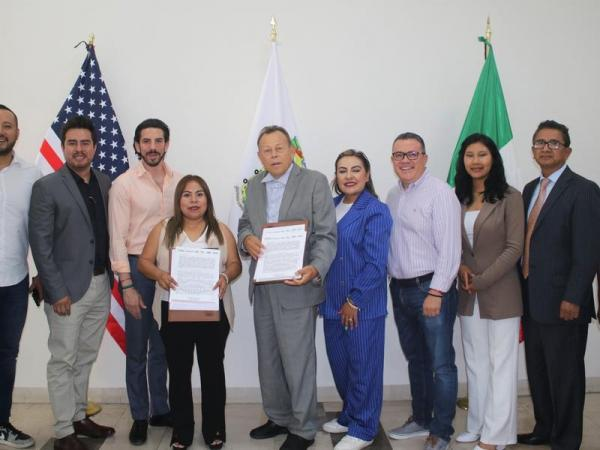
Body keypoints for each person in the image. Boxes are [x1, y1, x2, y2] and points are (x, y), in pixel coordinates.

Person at [238, 125, 337, 450]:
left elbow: (326, 234)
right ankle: (278, 417)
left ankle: (304, 429)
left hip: (298, 285)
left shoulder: (314, 181)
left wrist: (315, 268)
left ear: (291, 149)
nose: (274, 155)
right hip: (263, 287)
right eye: (267, 150)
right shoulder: (254, 186)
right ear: (260, 156)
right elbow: (245, 223)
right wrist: (246, 239)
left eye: (279, 148)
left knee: (298, 361)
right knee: (269, 360)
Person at [29, 116, 115, 450]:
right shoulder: (47, 187)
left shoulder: (105, 182)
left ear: (95, 147)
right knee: (63, 359)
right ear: (63, 146)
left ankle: (79, 416)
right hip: (66, 290)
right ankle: (64, 430)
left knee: (85, 356)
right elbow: (41, 244)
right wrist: (56, 291)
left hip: (100, 284)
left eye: (85, 143)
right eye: (72, 143)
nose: (79, 149)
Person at [138, 175, 241, 449]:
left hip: (213, 312)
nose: (193, 200)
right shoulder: (163, 229)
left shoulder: (221, 230)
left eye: (199, 194)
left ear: (207, 199)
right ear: (178, 200)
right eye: (186, 194)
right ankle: (182, 432)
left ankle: (214, 429)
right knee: (179, 372)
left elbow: (235, 264)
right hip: (174, 311)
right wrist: (159, 274)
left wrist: (226, 277)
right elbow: (144, 262)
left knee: (212, 372)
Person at [517, 120, 600, 449]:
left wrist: (574, 296)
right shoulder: (529, 190)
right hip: (532, 299)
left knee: (565, 376)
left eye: (554, 143)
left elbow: (588, 251)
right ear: (532, 150)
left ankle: (566, 440)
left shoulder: (583, 190)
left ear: (567, 151)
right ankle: (545, 428)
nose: (546, 148)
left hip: (565, 303)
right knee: (538, 371)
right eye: (540, 143)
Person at [108, 118, 181, 445]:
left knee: (163, 345)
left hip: (170, 269)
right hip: (137, 268)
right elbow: (117, 238)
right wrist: (126, 284)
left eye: (158, 140)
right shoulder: (124, 184)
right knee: (137, 347)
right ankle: (139, 415)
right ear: (137, 146)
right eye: (146, 141)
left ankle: (160, 410)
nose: (152, 147)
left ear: (167, 144)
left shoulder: (179, 181)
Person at [386, 132, 461, 450]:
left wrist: (437, 292)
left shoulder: (440, 193)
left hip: (430, 289)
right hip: (400, 289)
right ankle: (421, 418)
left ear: (425, 158)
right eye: (399, 155)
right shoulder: (393, 195)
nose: (405, 160)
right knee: (416, 359)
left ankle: (441, 430)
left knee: (441, 364)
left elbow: (451, 250)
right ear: (392, 160)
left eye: (412, 154)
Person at [453, 134, 524, 450]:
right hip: (468, 295)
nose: (476, 161)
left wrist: (480, 280)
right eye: (470, 155)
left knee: (501, 365)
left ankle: (495, 436)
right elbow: (452, 244)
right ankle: (477, 424)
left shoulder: (510, 197)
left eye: (482, 154)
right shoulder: (459, 198)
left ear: (493, 158)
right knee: (476, 362)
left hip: (501, 292)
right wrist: (459, 267)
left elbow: (514, 248)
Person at [321, 150, 392, 450]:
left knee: (364, 369)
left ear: (367, 174)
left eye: (355, 169)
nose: (348, 176)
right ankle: (350, 414)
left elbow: (376, 263)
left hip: (361, 306)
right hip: (331, 304)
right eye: (342, 170)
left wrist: (355, 299)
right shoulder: (330, 206)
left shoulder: (375, 210)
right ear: (335, 176)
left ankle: (364, 428)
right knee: (341, 366)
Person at [0, 104, 42, 449]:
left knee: (5, 356)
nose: (1, 131)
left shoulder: (31, 175)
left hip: (13, 282)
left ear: (17, 132)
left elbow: (40, 229)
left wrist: (41, 271)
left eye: (7, 125)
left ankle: (2, 424)